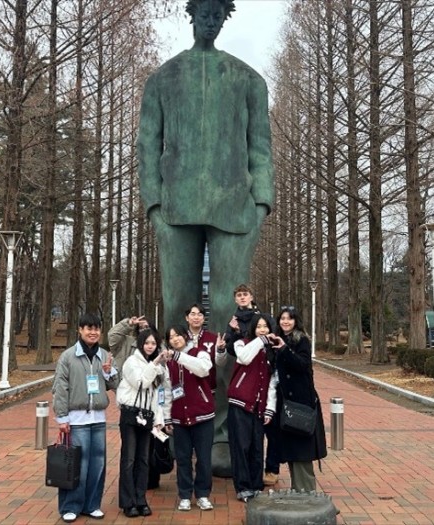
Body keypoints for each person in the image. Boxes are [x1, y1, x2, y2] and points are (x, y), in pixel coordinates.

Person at [137, 0, 275, 476]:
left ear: (225, 18)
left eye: (219, 13)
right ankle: (172, 421)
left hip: (234, 208)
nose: (211, 20)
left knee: (229, 320)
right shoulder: (163, 78)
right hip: (175, 207)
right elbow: (147, 144)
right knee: (177, 309)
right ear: (191, 15)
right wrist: (153, 204)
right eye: (205, 12)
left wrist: (262, 203)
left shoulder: (248, 79)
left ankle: (220, 431)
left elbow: (261, 147)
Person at [52, 313, 119, 523]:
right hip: (76, 419)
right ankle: (70, 506)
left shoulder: (104, 356)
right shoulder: (68, 357)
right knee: (76, 464)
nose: (93, 332)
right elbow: (60, 388)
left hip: (98, 419)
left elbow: (115, 385)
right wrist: (62, 417)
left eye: (96, 328)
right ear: (80, 330)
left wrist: (109, 372)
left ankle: (92, 505)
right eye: (88, 328)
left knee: (97, 463)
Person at [216, 313, 277, 502]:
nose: (262, 330)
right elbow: (244, 358)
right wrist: (261, 341)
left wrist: (269, 408)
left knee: (257, 448)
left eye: (265, 327)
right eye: (259, 326)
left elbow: (272, 382)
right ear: (252, 329)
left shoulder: (271, 351)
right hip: (240, 404)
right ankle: (243, 487)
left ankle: (256, 485)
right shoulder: (241, 343)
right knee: (240, 447)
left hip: (259, 407)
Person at [269, 307, 327, 492]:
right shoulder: (278, 340)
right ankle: (297, 490)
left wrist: (284, 350)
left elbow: (303, 364)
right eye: (282, 318)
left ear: (296, 321)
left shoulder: (301, 340)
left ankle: (307, 493)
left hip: (301, 404)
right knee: (292, 450)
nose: (285, 322)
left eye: (289, 318)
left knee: (302, 450)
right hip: (286, 403)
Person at [116, 329, 172, 518]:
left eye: (153, 344)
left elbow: (158, 394)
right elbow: (141, 383)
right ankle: (128, 502)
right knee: (129, 459)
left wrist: (159, 420)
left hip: (147, 415)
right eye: (147, 343)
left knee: (143, 459)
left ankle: (141, 499)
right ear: (141, 344)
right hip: (130, 414)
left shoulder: (157, 366)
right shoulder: (131, 362)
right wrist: (155, 364)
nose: (150, 346)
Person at [164, 324, 219, 511]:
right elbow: (167, 391)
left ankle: (203, 494)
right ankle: (185, 495)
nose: (175, 339)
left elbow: (203, 369)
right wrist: (167, 417)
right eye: (171, 337)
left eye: (178, 335)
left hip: (202, 415)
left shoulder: (199, 352)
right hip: (180, 418)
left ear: (185, 336)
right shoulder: (168, 362)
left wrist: (179, 356)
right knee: (183, 458)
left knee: (203, 458)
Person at [108, 315, 150, 380]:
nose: (144, 330)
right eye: (140, 328)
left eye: (146, 327)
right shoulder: (126, 342)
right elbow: (112, 336)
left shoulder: (158, 347)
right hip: (123, 384)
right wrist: (128, 324)